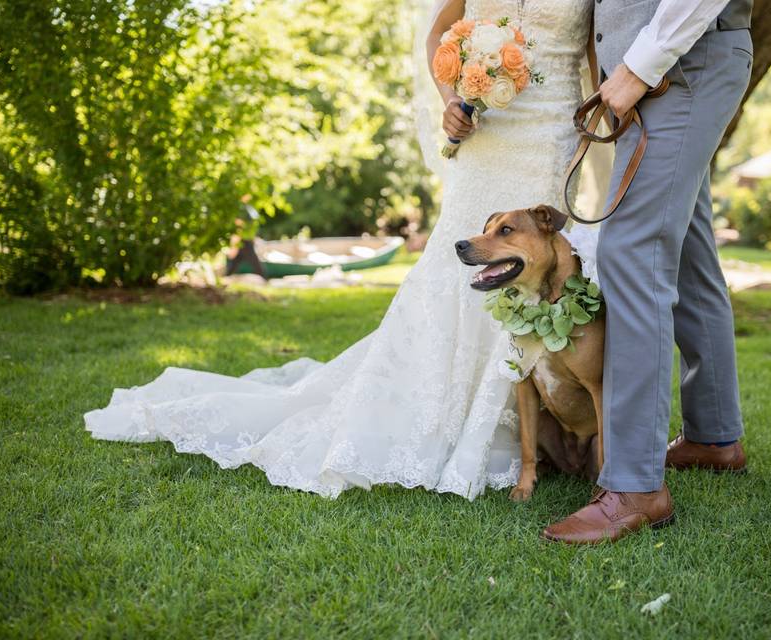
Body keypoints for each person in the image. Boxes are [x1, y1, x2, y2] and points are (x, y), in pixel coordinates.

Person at [84, 0, 600, 500]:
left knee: (538, 272)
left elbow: (600, 60)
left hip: (552, 136)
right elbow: (439, 33)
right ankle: (452, 424)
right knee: (456, 273)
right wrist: (450, 101)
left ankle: (548, 427)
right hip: (485, 139)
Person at [541, 0, 753, 544]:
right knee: (690, 253)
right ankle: (713, 437)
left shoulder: (656, 66)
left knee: (630, 253)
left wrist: (637, 68)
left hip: (680, 67)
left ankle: (635, 486)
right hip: (677, 67)